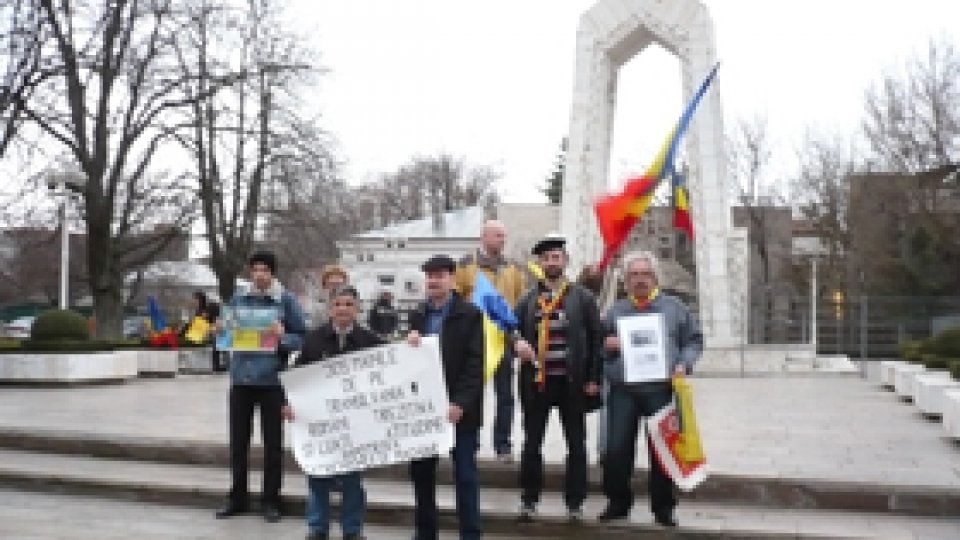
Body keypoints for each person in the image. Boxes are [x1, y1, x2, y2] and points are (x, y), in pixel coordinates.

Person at [599, 250, 703, 528]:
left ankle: (664, 508)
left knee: (663, 452)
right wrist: (607, 346)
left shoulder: (675, 307)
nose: (640, 280)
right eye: (634, 275)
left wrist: (684, 363)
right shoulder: (615, 311)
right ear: (625, 280)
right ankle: (618, 503)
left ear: (655, 277)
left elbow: (694, 341)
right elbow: (598, 347)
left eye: (645, 274)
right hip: (624, 390)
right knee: (616, 450)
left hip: (661, 390)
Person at [513, 235, 603, 522]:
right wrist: (516, 344)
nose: (552, 262)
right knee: (531, 444)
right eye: (546, 258)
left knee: (576, 445)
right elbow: (511, 332)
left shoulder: (583, 298)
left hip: (571, 383)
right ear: (539, 263)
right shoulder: (527, 299)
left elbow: (596, 340)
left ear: (565, 261)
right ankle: (529, 500)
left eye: (556, 257)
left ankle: (575, 502)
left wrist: (593, 378)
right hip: (537, 383)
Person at [284, 286, 384, 540]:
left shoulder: (370, 341)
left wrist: (416, 344)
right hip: (321, 423)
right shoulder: (313, 339)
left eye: (348, 304)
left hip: (355, 424)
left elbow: (395, 365)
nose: (343, 309)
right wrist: (288, 402)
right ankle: (318, 528)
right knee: (318, 476)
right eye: (338, 304)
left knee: (352, 480)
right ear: (330, 309)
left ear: (357, 309)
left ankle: (352, 529)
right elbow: (298, 375)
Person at [215, 251, 307, 523]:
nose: (260, 275)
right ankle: (237, 498)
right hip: (241, 380)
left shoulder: (285, 299)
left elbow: (301, 337)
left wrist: (283, 337)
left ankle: (271, 500)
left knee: (273, 445)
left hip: (271, 381)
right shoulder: (239, 298)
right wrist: (220, 332)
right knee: (238, 444)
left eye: (265, 270)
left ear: (273, 273)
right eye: (255, 269)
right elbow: (228, 334)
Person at [407, 255, 484, 540]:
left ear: (452, 279)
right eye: (429, 275)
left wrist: (460, 402)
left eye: (439, 275)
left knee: (465, 476)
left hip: (459, 411)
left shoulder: (470, 314)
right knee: (421, 475)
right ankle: (425, 533)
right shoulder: (417, 314)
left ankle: (470, 534)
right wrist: (408, 345)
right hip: (425, 409)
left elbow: (475, 364)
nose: (433, 280)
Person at [454, 219, 528, 462]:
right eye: (498, 235)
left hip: (503, 340)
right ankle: (470, 443)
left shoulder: (513, 268)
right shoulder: (465, 266)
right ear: (484, 237)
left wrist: (518, 337)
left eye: (504, 236)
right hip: (473, 341)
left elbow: (519, 303)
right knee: (471, 394)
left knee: (505, 396)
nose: (502, 240)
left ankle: (503, 445)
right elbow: (456, 300)